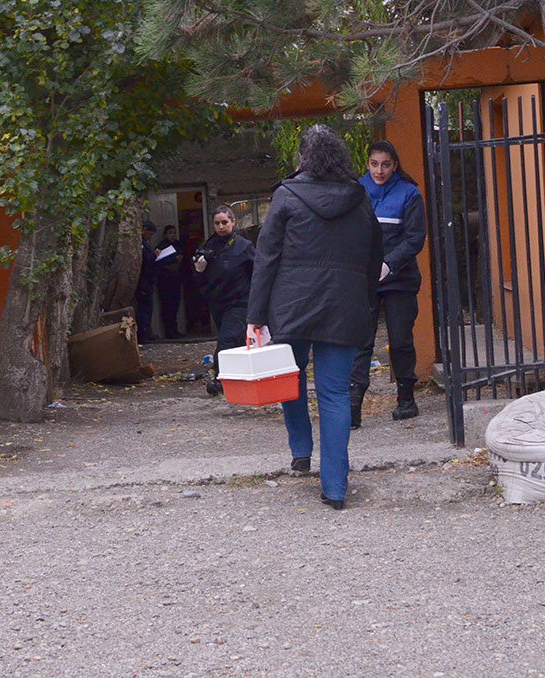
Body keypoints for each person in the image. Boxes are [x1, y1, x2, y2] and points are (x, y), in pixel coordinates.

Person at [246, 125, 383, 510]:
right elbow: (375, 254)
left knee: (289, 380)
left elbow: (266, 257)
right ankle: (335, 488)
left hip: (292, 306)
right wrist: (365, 298)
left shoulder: (286, 196)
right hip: (344, 307)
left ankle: (300, 450)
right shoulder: (360, 198)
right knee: (335, 394)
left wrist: (255, 315)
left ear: (302, 159)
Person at [350, 140, 427, 428]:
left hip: (400, 279)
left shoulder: (409, 194)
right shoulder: (357, 191)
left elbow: (415, 238)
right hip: (364, 278)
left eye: (385, 164)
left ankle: (406, 397)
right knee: (360, 340)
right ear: (367, 164)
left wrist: (390, 263)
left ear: (395, 165)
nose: (379, 170)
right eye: (374, 164)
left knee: (400, 339)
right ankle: (353, 402)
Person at [194, 205, 255, 395]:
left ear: (233, 222)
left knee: (226, 340)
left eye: (225, 223)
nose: (221, 227)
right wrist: (199, 271)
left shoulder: (244, 247)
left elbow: (258, 274)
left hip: (240, 302)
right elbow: (200, 280)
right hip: (218, 302)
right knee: (234, 343)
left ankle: (220, 379)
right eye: (217, 223)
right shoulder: (209, 246)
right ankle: (238, 379)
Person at [155, 225, 185, 339]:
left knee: (175, 305)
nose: (172, 235)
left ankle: (175, 329)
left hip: (176, 278)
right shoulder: (161, 246)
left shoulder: (178, 245)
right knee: (167, 306)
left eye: (174, 233)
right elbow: (159, 261)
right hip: (165, 280)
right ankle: (169, 331)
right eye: (170, 233)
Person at [135, 220, 158, 344]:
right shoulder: (140, 244)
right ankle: (142, 335)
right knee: (143, 310)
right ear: (144, 229)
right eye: (150, 234)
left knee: (148, 309)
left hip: (148, 282)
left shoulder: (145, 244)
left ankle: (146, 332)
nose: (150, 237)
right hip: (143, 282)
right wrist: (154, 256)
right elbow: (145, 260)